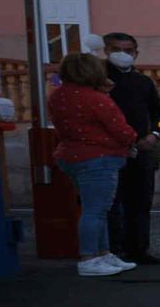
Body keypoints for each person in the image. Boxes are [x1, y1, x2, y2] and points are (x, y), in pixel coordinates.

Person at [48, 50, 136, 277]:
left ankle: (103, 253)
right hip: (98, 157)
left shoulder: (58, 96)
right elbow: (120, 129)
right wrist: (133, 141)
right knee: (95, 210)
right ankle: (89, 257)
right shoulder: (96, 99)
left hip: (70, 154)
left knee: (97, 209)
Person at [102, 32, 160, 265]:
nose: (123, 55)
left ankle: (139, 250)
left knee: (141, 201)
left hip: (142, 150)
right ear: (106, 51)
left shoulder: (143, 82)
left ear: (136, 53)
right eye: (116, 49)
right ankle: (113, 251)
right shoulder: (98, 81)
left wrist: (153, 135)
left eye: (128, 50)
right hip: (109, 150)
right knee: (110, 203)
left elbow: (158, 113)